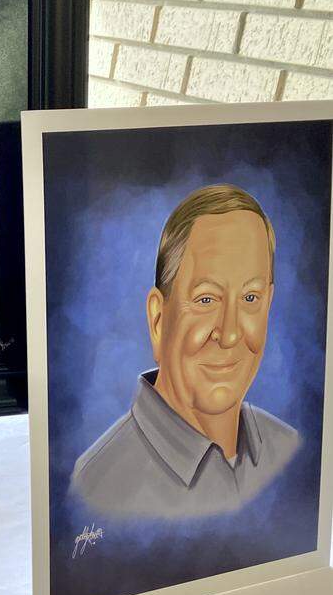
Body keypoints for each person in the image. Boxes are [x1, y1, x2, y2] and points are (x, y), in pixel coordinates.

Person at [70, 184, 298, 519]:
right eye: (206, 299)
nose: (231, 333)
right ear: (158, 319)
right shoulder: (97, 487)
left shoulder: (289, 449)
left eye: (251, 298)